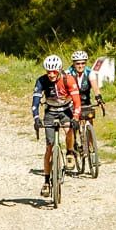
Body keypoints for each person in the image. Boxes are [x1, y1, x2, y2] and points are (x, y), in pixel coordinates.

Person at [30, 54, 83, 196]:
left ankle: (70, 152)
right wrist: (36, 118)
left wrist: (76, 117)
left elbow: (77, 102)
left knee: (70, 128)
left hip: (66, 110)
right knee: (49, 147)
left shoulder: (68, 79)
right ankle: (46, 181)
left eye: (54, 71)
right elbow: (35, 102)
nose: (51, 74)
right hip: (50, 112)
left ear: (59, 70)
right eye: (48, 71)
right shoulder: (41, 81)